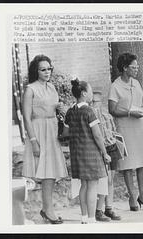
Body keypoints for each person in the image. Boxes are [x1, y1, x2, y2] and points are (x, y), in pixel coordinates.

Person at [22, 55, 68, 224]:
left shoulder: (52, 87)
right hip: (39, 131)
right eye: (43, 69)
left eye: (49, 68)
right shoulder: (30, 89)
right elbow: (26, 118)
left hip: (52, 129)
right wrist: (33, 141)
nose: (47, 72)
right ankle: (47, 209)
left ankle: (47, 209)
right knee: (46, 172)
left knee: (51, 172)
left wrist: (59, 107)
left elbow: (52, 107)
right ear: (36, 71)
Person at [108, 53, 143, 211]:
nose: (137, 69)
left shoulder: (136, 83)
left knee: (142, 162)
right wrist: (129, 112)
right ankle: (132, 197)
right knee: (128, 164)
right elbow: (112, 110)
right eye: (133, 67)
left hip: (139, 126)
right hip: (126, 127)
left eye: (137, 66)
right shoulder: (115, 86)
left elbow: (139, 103)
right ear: (124, 68)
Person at [63, 79, 111, 224]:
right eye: (90, 91)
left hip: (77, 153)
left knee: (83, 185)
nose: (91, 94)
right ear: (84, 93)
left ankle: (84, 217)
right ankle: (91, 218)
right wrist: (105, 152)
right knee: (93, 185)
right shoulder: (89, 111)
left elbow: (66, 133)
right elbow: (97, 135)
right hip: (91, 153)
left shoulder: (70, 112)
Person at [92, 89, 121, 222]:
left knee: (110, 180)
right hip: (100, 148)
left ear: (101, 102)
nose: (94, 104)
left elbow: (113, 131)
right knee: (104, 179)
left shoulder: (106, 115)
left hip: (111, 146)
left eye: (96, 101)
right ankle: (98, 209)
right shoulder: (89, 115)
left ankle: (109, 208)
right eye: (91, 102)